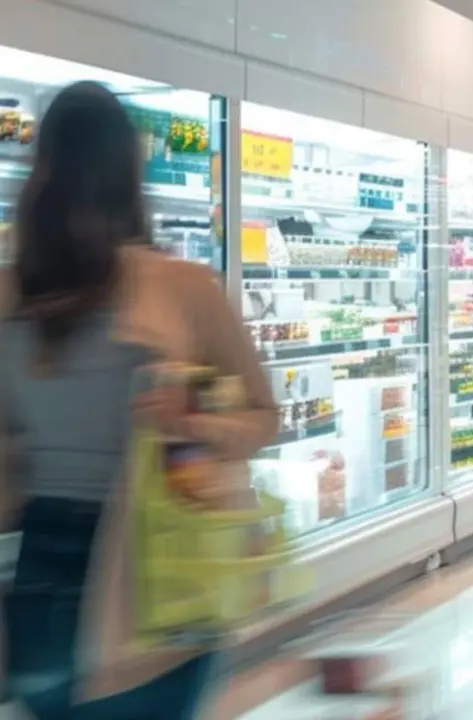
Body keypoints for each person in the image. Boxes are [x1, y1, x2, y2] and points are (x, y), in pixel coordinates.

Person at [0, 81, 279, 718]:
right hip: (163, 574)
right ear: (130, 170)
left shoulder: (13, 295)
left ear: (41, 169)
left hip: (52, 574)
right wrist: (195, 424)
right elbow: (263, 418)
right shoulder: (183, 287)